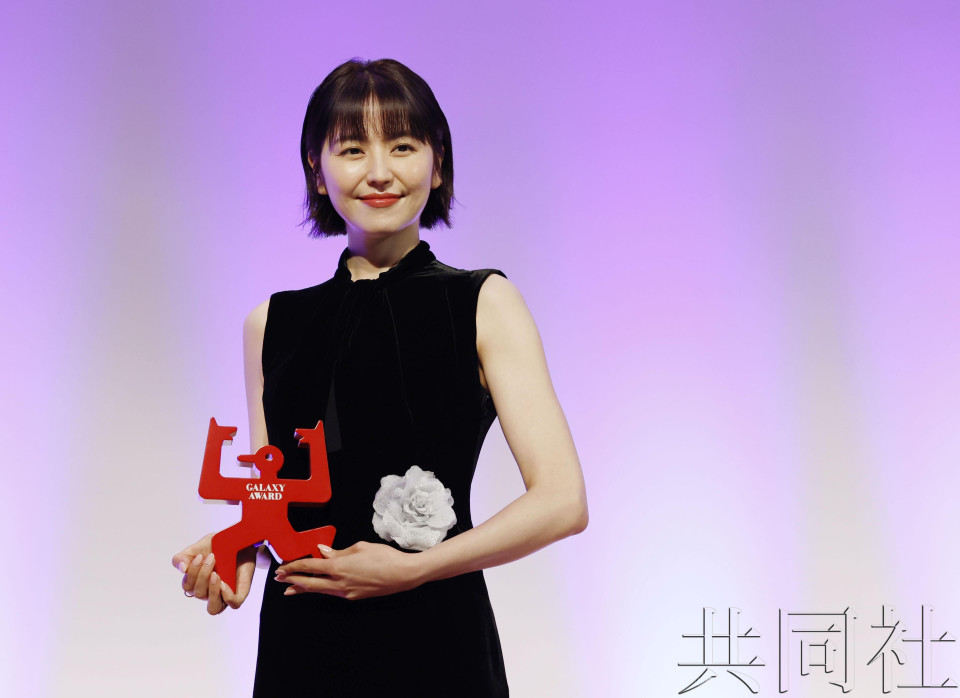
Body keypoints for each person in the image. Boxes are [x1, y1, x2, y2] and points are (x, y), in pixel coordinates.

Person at [172, 58, 587, 697]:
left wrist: (412, 570)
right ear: (316, 171)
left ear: (438, 163)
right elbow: (274, 496)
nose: (379, 171)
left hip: (435, 638)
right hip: (303, 644)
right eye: (352, 150)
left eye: (402, 146)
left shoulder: (483, 301)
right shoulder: (271, 323)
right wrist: (239, 552)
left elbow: (562, 501)